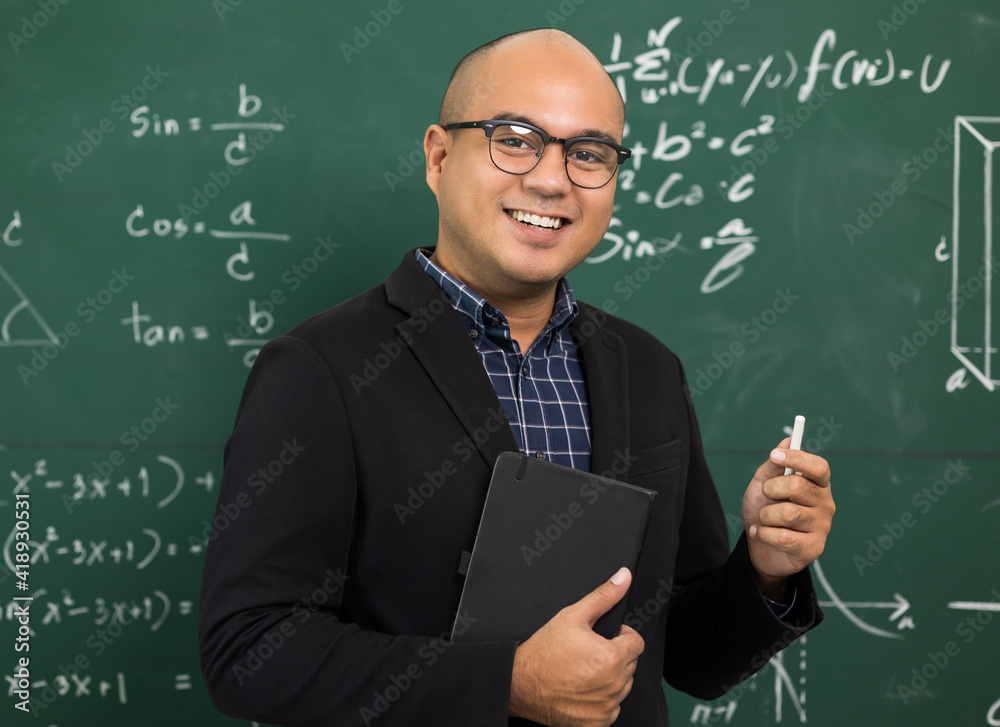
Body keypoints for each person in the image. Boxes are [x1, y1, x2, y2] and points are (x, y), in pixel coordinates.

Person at [198, 28, 835, 727]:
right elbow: (250, 650)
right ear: (440, 157)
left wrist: (767, 568)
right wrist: (505, 681)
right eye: (515, 138)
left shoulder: (648, 368)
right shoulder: (321, 368)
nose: (553, 178)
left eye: (589, 153)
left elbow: (684, 655)